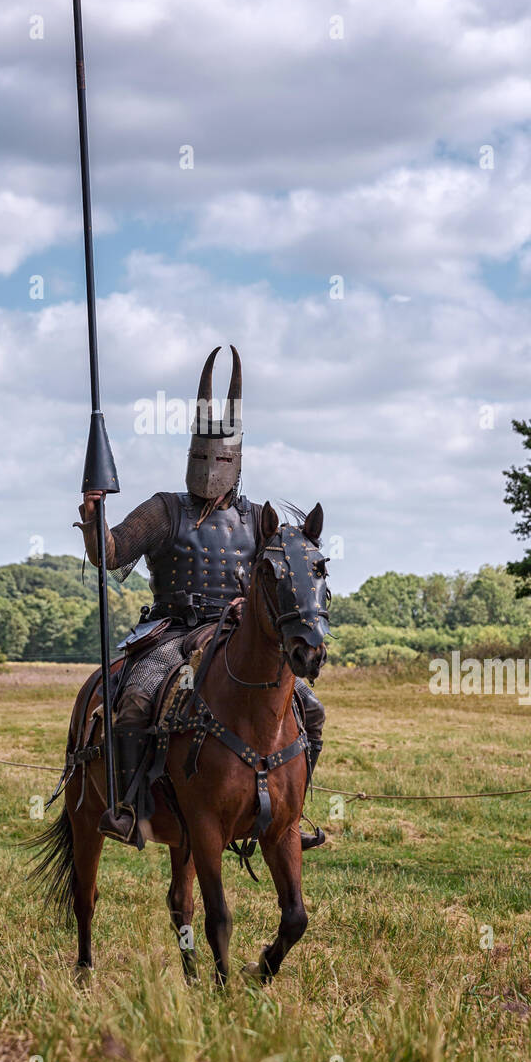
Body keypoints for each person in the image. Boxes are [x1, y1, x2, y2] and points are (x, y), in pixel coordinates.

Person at [75, 345, 326, 848]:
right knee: (135, 703)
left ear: (236, 460)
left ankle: (291, 812)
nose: (211, 467)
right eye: (203, 456)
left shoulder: (258, 518)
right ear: (191, 454)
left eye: (221, 458)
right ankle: (127, 808)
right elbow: (111, 551)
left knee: (311, 709)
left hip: (233, 633)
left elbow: (283, 576)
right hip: (173, 631)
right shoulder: (166, 510)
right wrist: (94, 515)